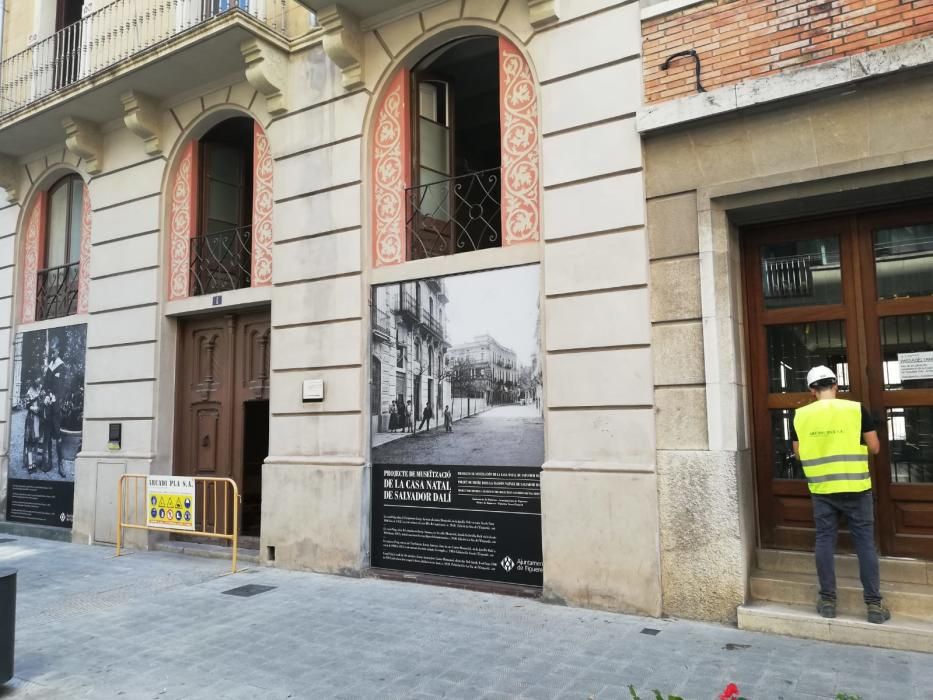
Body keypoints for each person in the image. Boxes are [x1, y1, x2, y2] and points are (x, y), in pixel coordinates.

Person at [791, 365, 889, 624]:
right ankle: (874, 605)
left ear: (812, 390)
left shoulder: (800, 415)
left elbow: (799, 453)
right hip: (856, 487)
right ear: (835, 386)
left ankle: (827, 601)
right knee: (864, 544)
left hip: (822, 488)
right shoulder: (856, 409)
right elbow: (875, 448)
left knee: (824, 541)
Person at [44, 338, 67, 478]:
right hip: (48, 406)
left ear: (58, 350)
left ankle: (60, 464)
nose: (52, 353)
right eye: (51, 351)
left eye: (54, 350)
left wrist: (56, 397)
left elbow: (63, 388)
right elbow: (46, 384)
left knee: (58, 435)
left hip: (56, 407)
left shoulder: (62, 366)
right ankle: (49, 463)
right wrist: (47, 395)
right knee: (47, 434)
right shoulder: (50, 366)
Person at [24, 376, 44, 474]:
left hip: (39, 418)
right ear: (34, 379)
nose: (38, 380)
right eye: (36, 378)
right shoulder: (30, 391)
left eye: (39, 378)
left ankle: (34, 462)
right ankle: (30, 463)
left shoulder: (40, 388)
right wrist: (33, 408)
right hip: (32, 418)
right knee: (30, 441)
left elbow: (43, 401)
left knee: (36, 440)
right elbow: (27, 405)